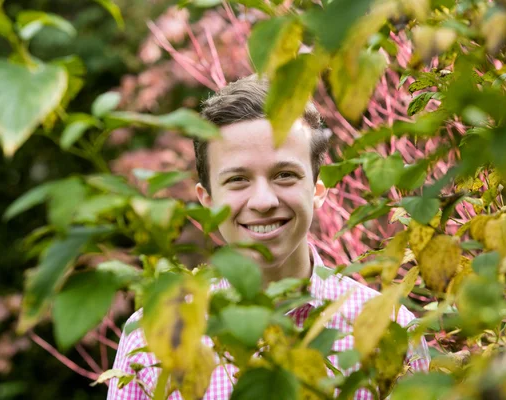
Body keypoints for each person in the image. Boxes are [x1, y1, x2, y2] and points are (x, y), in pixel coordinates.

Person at [107, 75, 430, 400]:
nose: (263, 201)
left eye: (284, 175)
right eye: (237, 179)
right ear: (207, 200)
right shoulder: (149, 342)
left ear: (318, 191)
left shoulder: (393, 332)